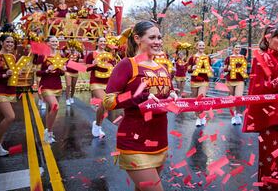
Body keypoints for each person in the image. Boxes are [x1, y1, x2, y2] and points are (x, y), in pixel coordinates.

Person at [103, 21, 177, 191]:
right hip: (134, 142)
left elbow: (164, 96)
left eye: (159, 37)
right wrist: (137, 97)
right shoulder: (127, 65)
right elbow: (109, 101)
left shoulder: (163, 68)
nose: (157, 41)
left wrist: (173, 96)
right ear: (137, 39)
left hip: (159, 141)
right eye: (152, 37)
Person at [242, 26, 278, 191]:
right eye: (277, 37)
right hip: (271, 119)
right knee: (271, 162)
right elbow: (260, 90)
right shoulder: (261, 58)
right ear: (267, 38)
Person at [34, 36, 65, 144]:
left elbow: (61, 73)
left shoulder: (60, 55)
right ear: (47, 43)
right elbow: (37, 72)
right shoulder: (42, 56)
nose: (55, 43)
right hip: (46, 86)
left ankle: (47, 132)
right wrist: (47, 70)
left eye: (56, 41)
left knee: (50, 110)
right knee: (55, 107)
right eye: (52, 41)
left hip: (57, 86)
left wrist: (62, 70)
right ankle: (49, 132)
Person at [0, 34, 17, 157]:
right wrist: (3, 75)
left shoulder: (12, 56)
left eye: (12, 42)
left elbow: (13, 74)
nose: (10, 44)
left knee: (3, 119)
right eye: (7, 42)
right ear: (1, 43)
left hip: (10, 90)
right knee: (10, 117)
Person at [86, 37, 115, 138]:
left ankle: (97, 125)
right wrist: (93, 64)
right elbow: (86, 68)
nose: (103, 43)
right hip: (96, 82)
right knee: (104, 102)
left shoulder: (110, 55)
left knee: (105, 107)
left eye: (104, 41)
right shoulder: (92, 54)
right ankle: (97, 127)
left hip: (108, 82)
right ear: (97, 43)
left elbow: (113, 66)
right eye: (101, 41)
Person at [187, 41, 213, 127]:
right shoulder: (192, 58)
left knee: (201, 98)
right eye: (200, 45)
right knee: (195, 100)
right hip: (194, 80)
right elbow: (188, 70)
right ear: (197, 47)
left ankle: (201, 117)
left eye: (203, 45)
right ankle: (198, 117)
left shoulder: (207, 58)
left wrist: (211, 69)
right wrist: (192, 68)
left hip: (204, 80)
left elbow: (209, 67)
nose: (202, 47)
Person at [223, 43, 248, 125]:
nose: (238, 48)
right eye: (236, 47)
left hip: (240, 80)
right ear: (233, 48)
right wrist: (228, 68)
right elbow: (224, 68)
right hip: (230, 79)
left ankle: (237, 114)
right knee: (231, 98)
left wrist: (245, 71)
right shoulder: (228, 58)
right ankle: (233, 116)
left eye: (239, 47)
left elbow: (245, 68)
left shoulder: (243, 58)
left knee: (238, 98)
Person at [64, 40, 83, 106]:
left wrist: (81, 49)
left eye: (73, 47)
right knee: (68, 85)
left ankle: (71, 97)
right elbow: (63, 56)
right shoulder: (67, 52)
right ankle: (67, 99)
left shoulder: (78, 53)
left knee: (73, 86)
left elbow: (82, 58)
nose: (72, 48)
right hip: (68, 71)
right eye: (71, 46)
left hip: (75, 71)